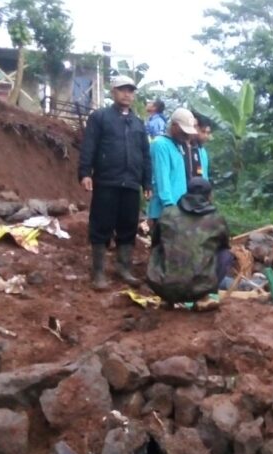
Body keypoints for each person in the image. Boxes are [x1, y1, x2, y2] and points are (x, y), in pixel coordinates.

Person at [78, 75, 152, 291]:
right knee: (101, 225)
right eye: (122, 89)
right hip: (107, 181)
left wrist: (147, 182)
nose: (127, 94)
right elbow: (89, 146)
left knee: (128, 226)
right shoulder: (100, 117)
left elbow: (145, 154)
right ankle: (99, 272)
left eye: (130, 90)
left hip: (131, 184)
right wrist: (85, 173)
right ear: (113, 92)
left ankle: (123, 268)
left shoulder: (138, 123)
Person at [147, 177, 232, 305]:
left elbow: (155, 242)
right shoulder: (216, 219)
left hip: (163, 287)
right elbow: (225, 244)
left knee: (159, 247)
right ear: (209, 196)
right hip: (199, 289)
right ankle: (204, 298)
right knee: (225, 253)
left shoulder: (167, 213)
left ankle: (167, 299)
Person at [148, 108, 199, 222]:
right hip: (166, 212)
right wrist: (169, 206)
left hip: (179, 210)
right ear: (174, 126)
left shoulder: (178, 145)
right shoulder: (160, 144)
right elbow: (162, 178)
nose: (187, 136)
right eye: (184, 132)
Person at [188, 112, 213, 181]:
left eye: (208, 133)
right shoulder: (188, 150)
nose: (206, 136)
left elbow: (201, 171)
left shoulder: (202, 151)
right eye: (203, 131)